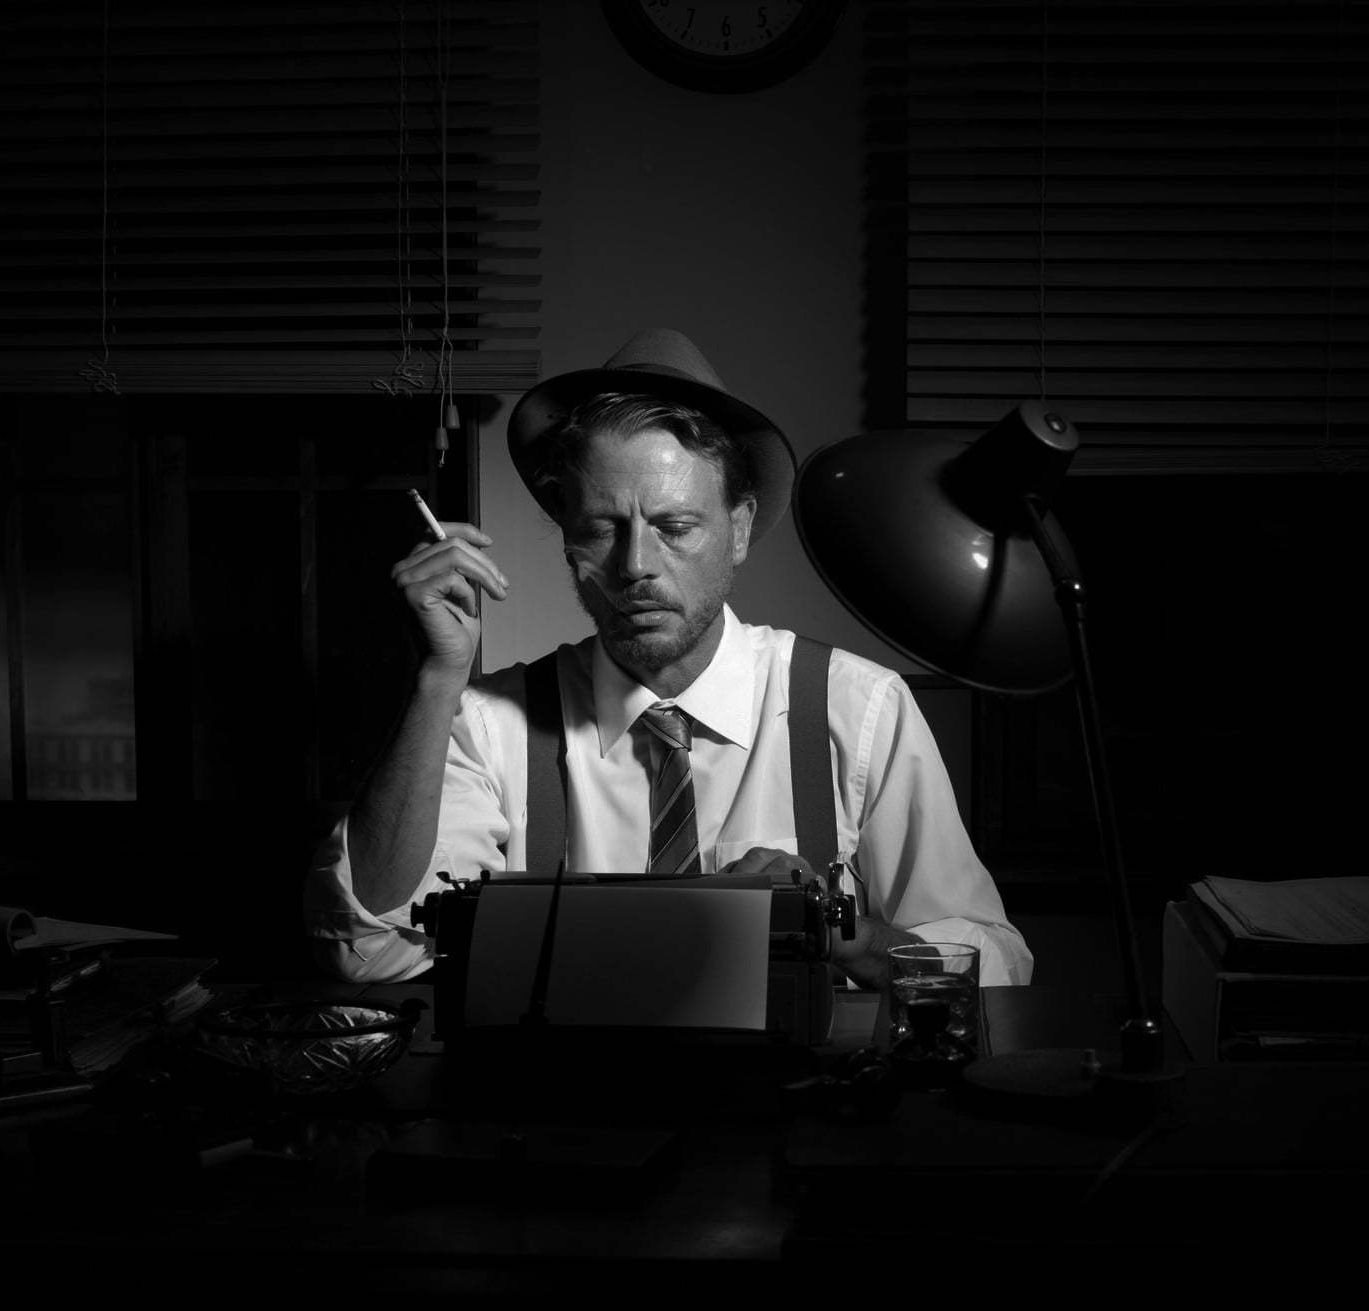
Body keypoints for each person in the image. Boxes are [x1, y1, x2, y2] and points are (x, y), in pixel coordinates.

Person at [305, 329, 1030, 990]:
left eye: (675, 526)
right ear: (565, 535)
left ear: (738, 530)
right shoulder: (486, 723)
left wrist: (839, 930)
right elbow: (369, 951)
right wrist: (437, 679)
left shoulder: (857, 707)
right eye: (600, 528)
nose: (636, 566)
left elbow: (993, 961)